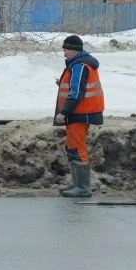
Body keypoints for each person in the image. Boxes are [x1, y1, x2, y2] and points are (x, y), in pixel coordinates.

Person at [53, 34, 104, 198]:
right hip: (80, 112)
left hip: (80, 113)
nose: (64, 53)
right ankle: (76, 184)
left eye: (66, 49)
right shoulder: (79, 64)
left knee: (77, 149)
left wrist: (63, 112)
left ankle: (82, 187)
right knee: (73, 148)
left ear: (74, 50)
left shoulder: (79, 66)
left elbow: (76, 93)